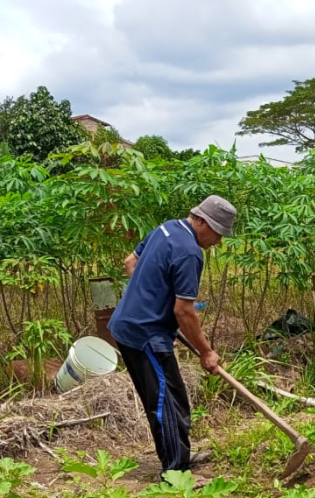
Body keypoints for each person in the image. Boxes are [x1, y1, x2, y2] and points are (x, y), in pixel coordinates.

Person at [107, 195, 237, 479]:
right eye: (217, 233)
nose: (218, 241)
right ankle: (175, 473)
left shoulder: (166, 228)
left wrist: (150, 299)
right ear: (202, 221)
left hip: (131, 325)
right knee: (164, 403)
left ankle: (180, 455)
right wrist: (206, 352)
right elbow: (184, 311)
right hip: (144, 334)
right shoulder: (189, 252)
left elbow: (130, 263)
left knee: (175, 398)